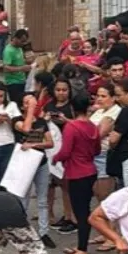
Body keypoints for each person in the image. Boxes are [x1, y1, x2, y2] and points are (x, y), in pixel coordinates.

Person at [52, 92, 100, 254]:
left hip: (76, 171)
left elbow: (65, 151)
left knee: (80, 212)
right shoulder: (93, 126)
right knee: (84, 209)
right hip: (90, 169)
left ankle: (82, 250)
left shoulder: (71, 128)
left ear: (72, 107)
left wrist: (55, 158)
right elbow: (97, 150)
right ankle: (82, 244)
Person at [12, 93, 56, 249]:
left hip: (40, 163)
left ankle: (44, 232)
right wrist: (30, 110)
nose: (30, 105)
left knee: (42, 199)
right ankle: (22, 231)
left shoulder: (42, 121)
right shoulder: (17, 121)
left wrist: (33, 145)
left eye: (33, 103)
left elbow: (50, 143)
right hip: (24, 164)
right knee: (23, 198)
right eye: (26, 103)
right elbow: (26, 129)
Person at [89, 83, 121, 249]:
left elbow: (97, 134)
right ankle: (105, 231)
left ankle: (112, 235)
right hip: (94, 155)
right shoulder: (99, 111)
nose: (99, 99)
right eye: (98, 96)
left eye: (103, 96)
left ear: (113, 97)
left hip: (104, 155)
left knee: (107, 196)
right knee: (99, 195)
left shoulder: (114, 113)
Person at [45, 78, 76, 234]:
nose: (61, 93)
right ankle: (48, 214)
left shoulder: (72, 107)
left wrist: (65, 120)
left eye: (64, 90)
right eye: (58, 90)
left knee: (65, 184)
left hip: (67, 149)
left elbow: (79, 125)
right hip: (49, 150)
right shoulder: (48, 106)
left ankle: (68, 216)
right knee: (49, 184)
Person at [2, 29, 32, 108]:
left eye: (25, 41)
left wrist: (27, 62)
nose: (23, 43)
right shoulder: (9, 51)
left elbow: (19, 61)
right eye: (22, 41)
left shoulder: (19, 48)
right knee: (16, 106)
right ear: (15, 38)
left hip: (22, 80)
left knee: (23, 105)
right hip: (13, 83)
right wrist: (21, 68)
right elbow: (6, 68)